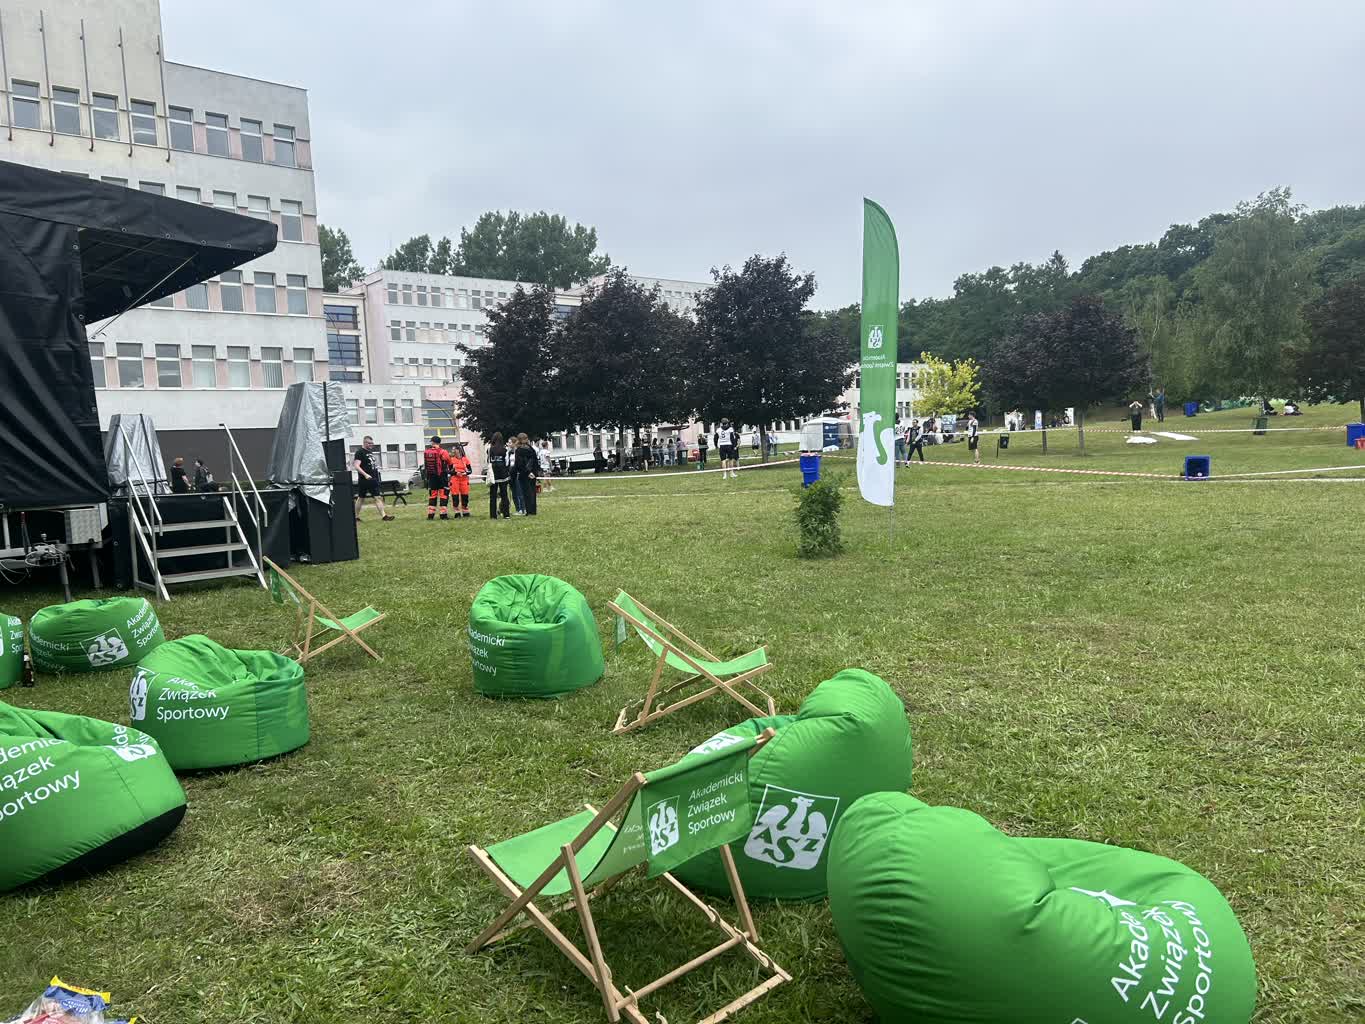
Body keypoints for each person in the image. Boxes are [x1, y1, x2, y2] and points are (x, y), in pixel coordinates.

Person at [354, 435, 394, 521]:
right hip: (365, 479)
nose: (371, 445)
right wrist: (365, 475)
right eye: (369, 443)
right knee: (362, 498)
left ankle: (384, 516)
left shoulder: (369, 452)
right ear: (364, 443)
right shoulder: (360, 452)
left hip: (372, 479)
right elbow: (356, 466)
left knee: (375, 497)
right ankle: (356, 517)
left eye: (372, 443)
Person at [422, 435, 454, 521]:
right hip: (442, 476)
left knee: (433, 495)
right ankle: (443, 515)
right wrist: (451, 472)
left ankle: (430, 515)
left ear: (432, 442)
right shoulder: (443, 452)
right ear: (439, 442)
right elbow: (450, 463)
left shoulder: (427, 452)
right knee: (443, 494)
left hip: (431, 477)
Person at [512, 432, 538, 516]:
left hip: (524, 473)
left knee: (526, 493)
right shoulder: (531, 449)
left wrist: (526, 472)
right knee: (532, 492)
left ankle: (528, 511)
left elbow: (519, 464)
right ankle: (533, 510)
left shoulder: (519, 450)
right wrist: (534, 472)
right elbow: (535, 461)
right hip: (532, 473)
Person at [487, 433, 511, 519]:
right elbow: (507, 462)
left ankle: (493, 515)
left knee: (493, 496)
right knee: (504, 495)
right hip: (503, 474)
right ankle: (506, 514)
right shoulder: (505, 450)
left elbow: (488, 461)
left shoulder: (489, 449)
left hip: (493, 475)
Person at [449, 441, 473, 517]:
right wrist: (456, 473)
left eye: (454, 450)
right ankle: (457, 512)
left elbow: (470, 470)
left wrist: (465, 473)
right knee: (455, 495)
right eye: (453, 450)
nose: (453, 451)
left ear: (459, 450)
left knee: (465, 495)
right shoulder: (451, 460)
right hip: (455, 479)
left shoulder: (465, 459)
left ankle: (465, 510)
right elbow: (449, 471)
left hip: (464, 479)